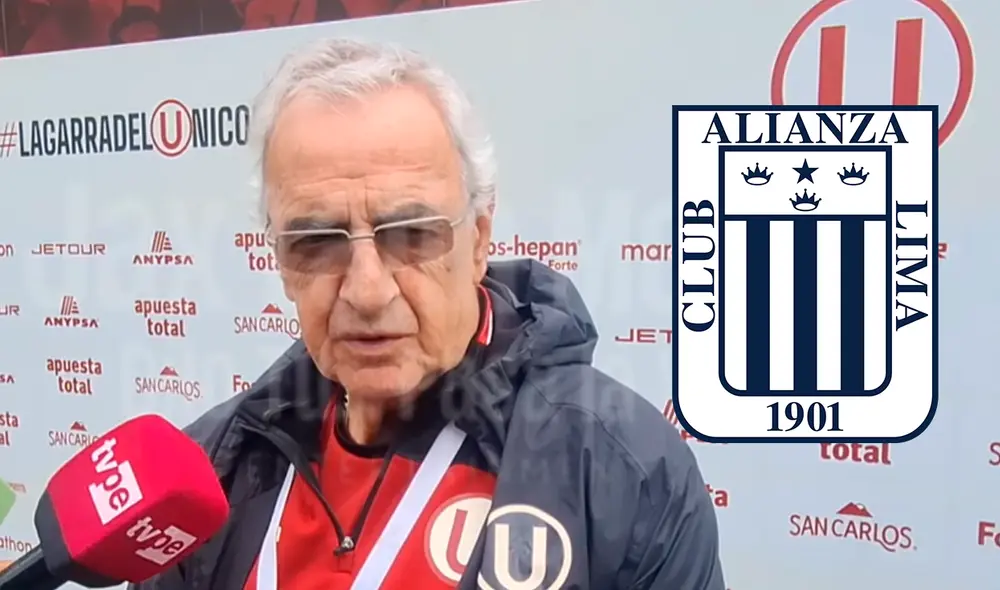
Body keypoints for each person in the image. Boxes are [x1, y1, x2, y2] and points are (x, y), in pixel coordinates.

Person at [133, 38, 725, 590]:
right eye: (317, 241)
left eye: (411, 234)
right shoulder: (212, 468)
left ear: (479, 240)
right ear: (282, 263)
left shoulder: (625, 473)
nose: (366, 292)